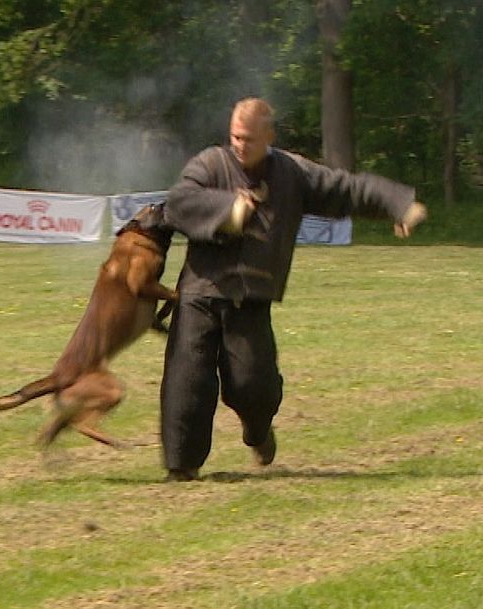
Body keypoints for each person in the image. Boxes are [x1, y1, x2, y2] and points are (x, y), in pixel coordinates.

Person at [159, 97, 426, 481]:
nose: (240, 144)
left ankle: (258, 432)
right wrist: (230, 211)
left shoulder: (291, 172)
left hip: (250, 298)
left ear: (269, 136)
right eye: (235, 136)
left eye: (249, 138)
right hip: (202, 290)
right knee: (188, 381)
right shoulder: (209, 165)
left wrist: (396, 203)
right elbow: (180, 202)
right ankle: (182, 468)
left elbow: (344, 188)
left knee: (254, 386)